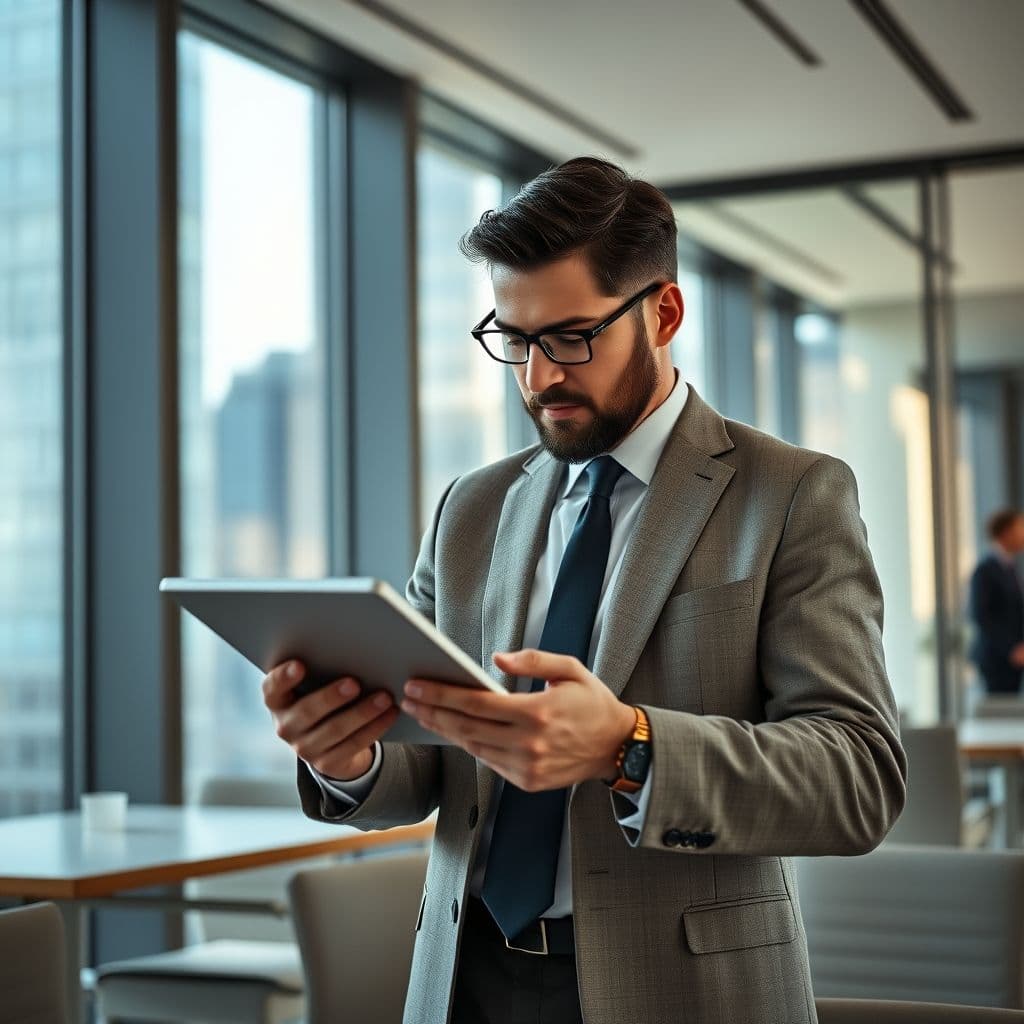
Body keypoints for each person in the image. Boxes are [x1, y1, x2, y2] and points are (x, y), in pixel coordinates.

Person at [262, 157, 906, 1024]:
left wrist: (629, 747)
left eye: (570, 337)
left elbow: (857, 776)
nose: (537, 377)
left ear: (664, 313)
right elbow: (427, 758)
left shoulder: (791, 494)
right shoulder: (471, 508)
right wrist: (350, 756)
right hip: (463, 980)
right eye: (515, 340)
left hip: (683, 992)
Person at [969, 508, 1024, 695]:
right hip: (996, 660)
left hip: (1013, 660)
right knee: (1001, 713)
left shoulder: (1009, 567)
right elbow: (981, 616)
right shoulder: (985, 569)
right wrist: (1011, 649)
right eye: (1019, 528)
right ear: (1006, 532)